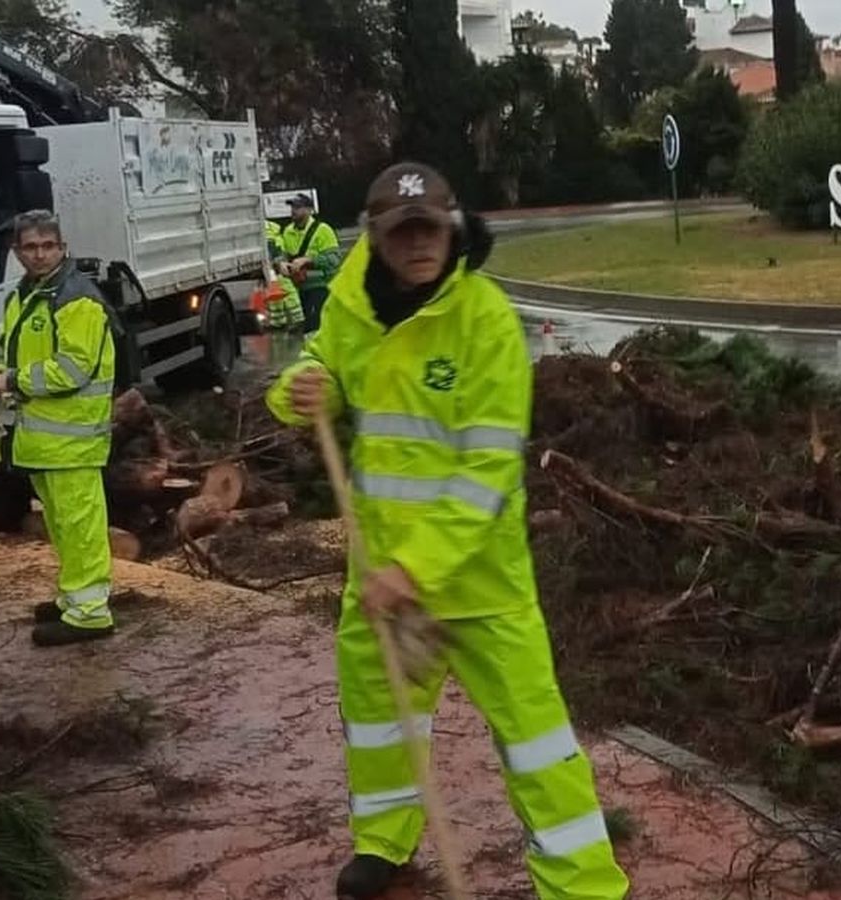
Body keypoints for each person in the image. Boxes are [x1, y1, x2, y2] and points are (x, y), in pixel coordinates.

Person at [266, 162, 631, 900]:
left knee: (535, 740)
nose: (420, 244)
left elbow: (485, 472)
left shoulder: (485, 320)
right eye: (402, 232)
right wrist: (301, 389)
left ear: (453, 227)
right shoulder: (351, 301)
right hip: (377, 568)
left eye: (431, 228)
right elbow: (321, 363)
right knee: (378, 722)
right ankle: (383, 841)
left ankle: (584, 884)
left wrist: (416, 569)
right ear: (375, 235)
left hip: (480, 581)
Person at [0, 210, 118, 648]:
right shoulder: (26, 295)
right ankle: (75, 598)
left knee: (80, 526)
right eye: (31, 247)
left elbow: (73, 370)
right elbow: (9, 348)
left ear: (62, 248)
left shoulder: (75, 299)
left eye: (48, 246)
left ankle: (90, 613)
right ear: (17, 252)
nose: (39, 254)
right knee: (63, 525)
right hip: (46, 441)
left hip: (73, 439)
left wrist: (11, 380)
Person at [277, 193, 341, 334]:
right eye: (292, 207)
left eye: (298, 207)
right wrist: (281, 263)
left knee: (315, 328)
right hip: (298, 289)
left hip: (320, 286)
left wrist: (308, 260)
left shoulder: (323, 230)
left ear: (309, 210)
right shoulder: (287, 231)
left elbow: (334, 259)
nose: (293, 210)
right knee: (304, 329)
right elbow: (284, 255)